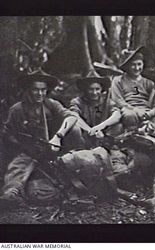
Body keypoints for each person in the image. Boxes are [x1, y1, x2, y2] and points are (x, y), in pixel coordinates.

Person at [0, 69, 79, 206]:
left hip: (53, 149)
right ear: (28, 90)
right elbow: (7, 134)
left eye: (43, 90)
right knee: (19, 166)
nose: (40, 93)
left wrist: (58, 136)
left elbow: (72, 117)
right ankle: (12, 193)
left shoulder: (50, 104)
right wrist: (23, 146)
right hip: (28, 151)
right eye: (35, 90)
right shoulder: (17, 110)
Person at [110, 46, 155, 136]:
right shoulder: (118, 80)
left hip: (146, 113)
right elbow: (117, 100)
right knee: (130, 115)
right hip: (128, 111)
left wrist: (149, 113)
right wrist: (136, 110)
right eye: (133, 64)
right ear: (127, 66)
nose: (137, 68)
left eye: (139, 64)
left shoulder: (149, 84)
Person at [69, 69, 122, 148]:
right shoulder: (77, 102)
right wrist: (90, 130)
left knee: (118, 126)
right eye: (91, 89)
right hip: (85, 136)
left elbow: (117, 114)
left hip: (102, 135)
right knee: (74, 129)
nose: (94, 93)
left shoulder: (106, 102)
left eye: (97, 89)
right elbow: (74, 116)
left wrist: (100, 127)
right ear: (85, 89)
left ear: (101, 89)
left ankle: (111, 149)